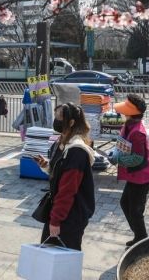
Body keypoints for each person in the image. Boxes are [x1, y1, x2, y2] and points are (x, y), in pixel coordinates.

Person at [34, 103, 95, 251]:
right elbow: (60, 172)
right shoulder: (62, 142)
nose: (55, 121)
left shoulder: (76, 151)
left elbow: (67, 190)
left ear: (71, 122)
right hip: (63, 213)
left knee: (64, 262)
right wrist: (47, 166)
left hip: (70, 216)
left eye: (59, 117)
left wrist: (55, 220)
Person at [112, 94, 149, 247]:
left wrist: (118, 159)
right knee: (125, 204)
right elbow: (121, 143)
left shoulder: (137, 132)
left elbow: (138, 158)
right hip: (134, 176)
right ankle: (139, 234)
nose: (123, 113)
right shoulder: (128, 125)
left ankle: (142, 238)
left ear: (132, 113)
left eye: (125, 110)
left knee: (135, 211)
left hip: (142, 177)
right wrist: (115, 152)